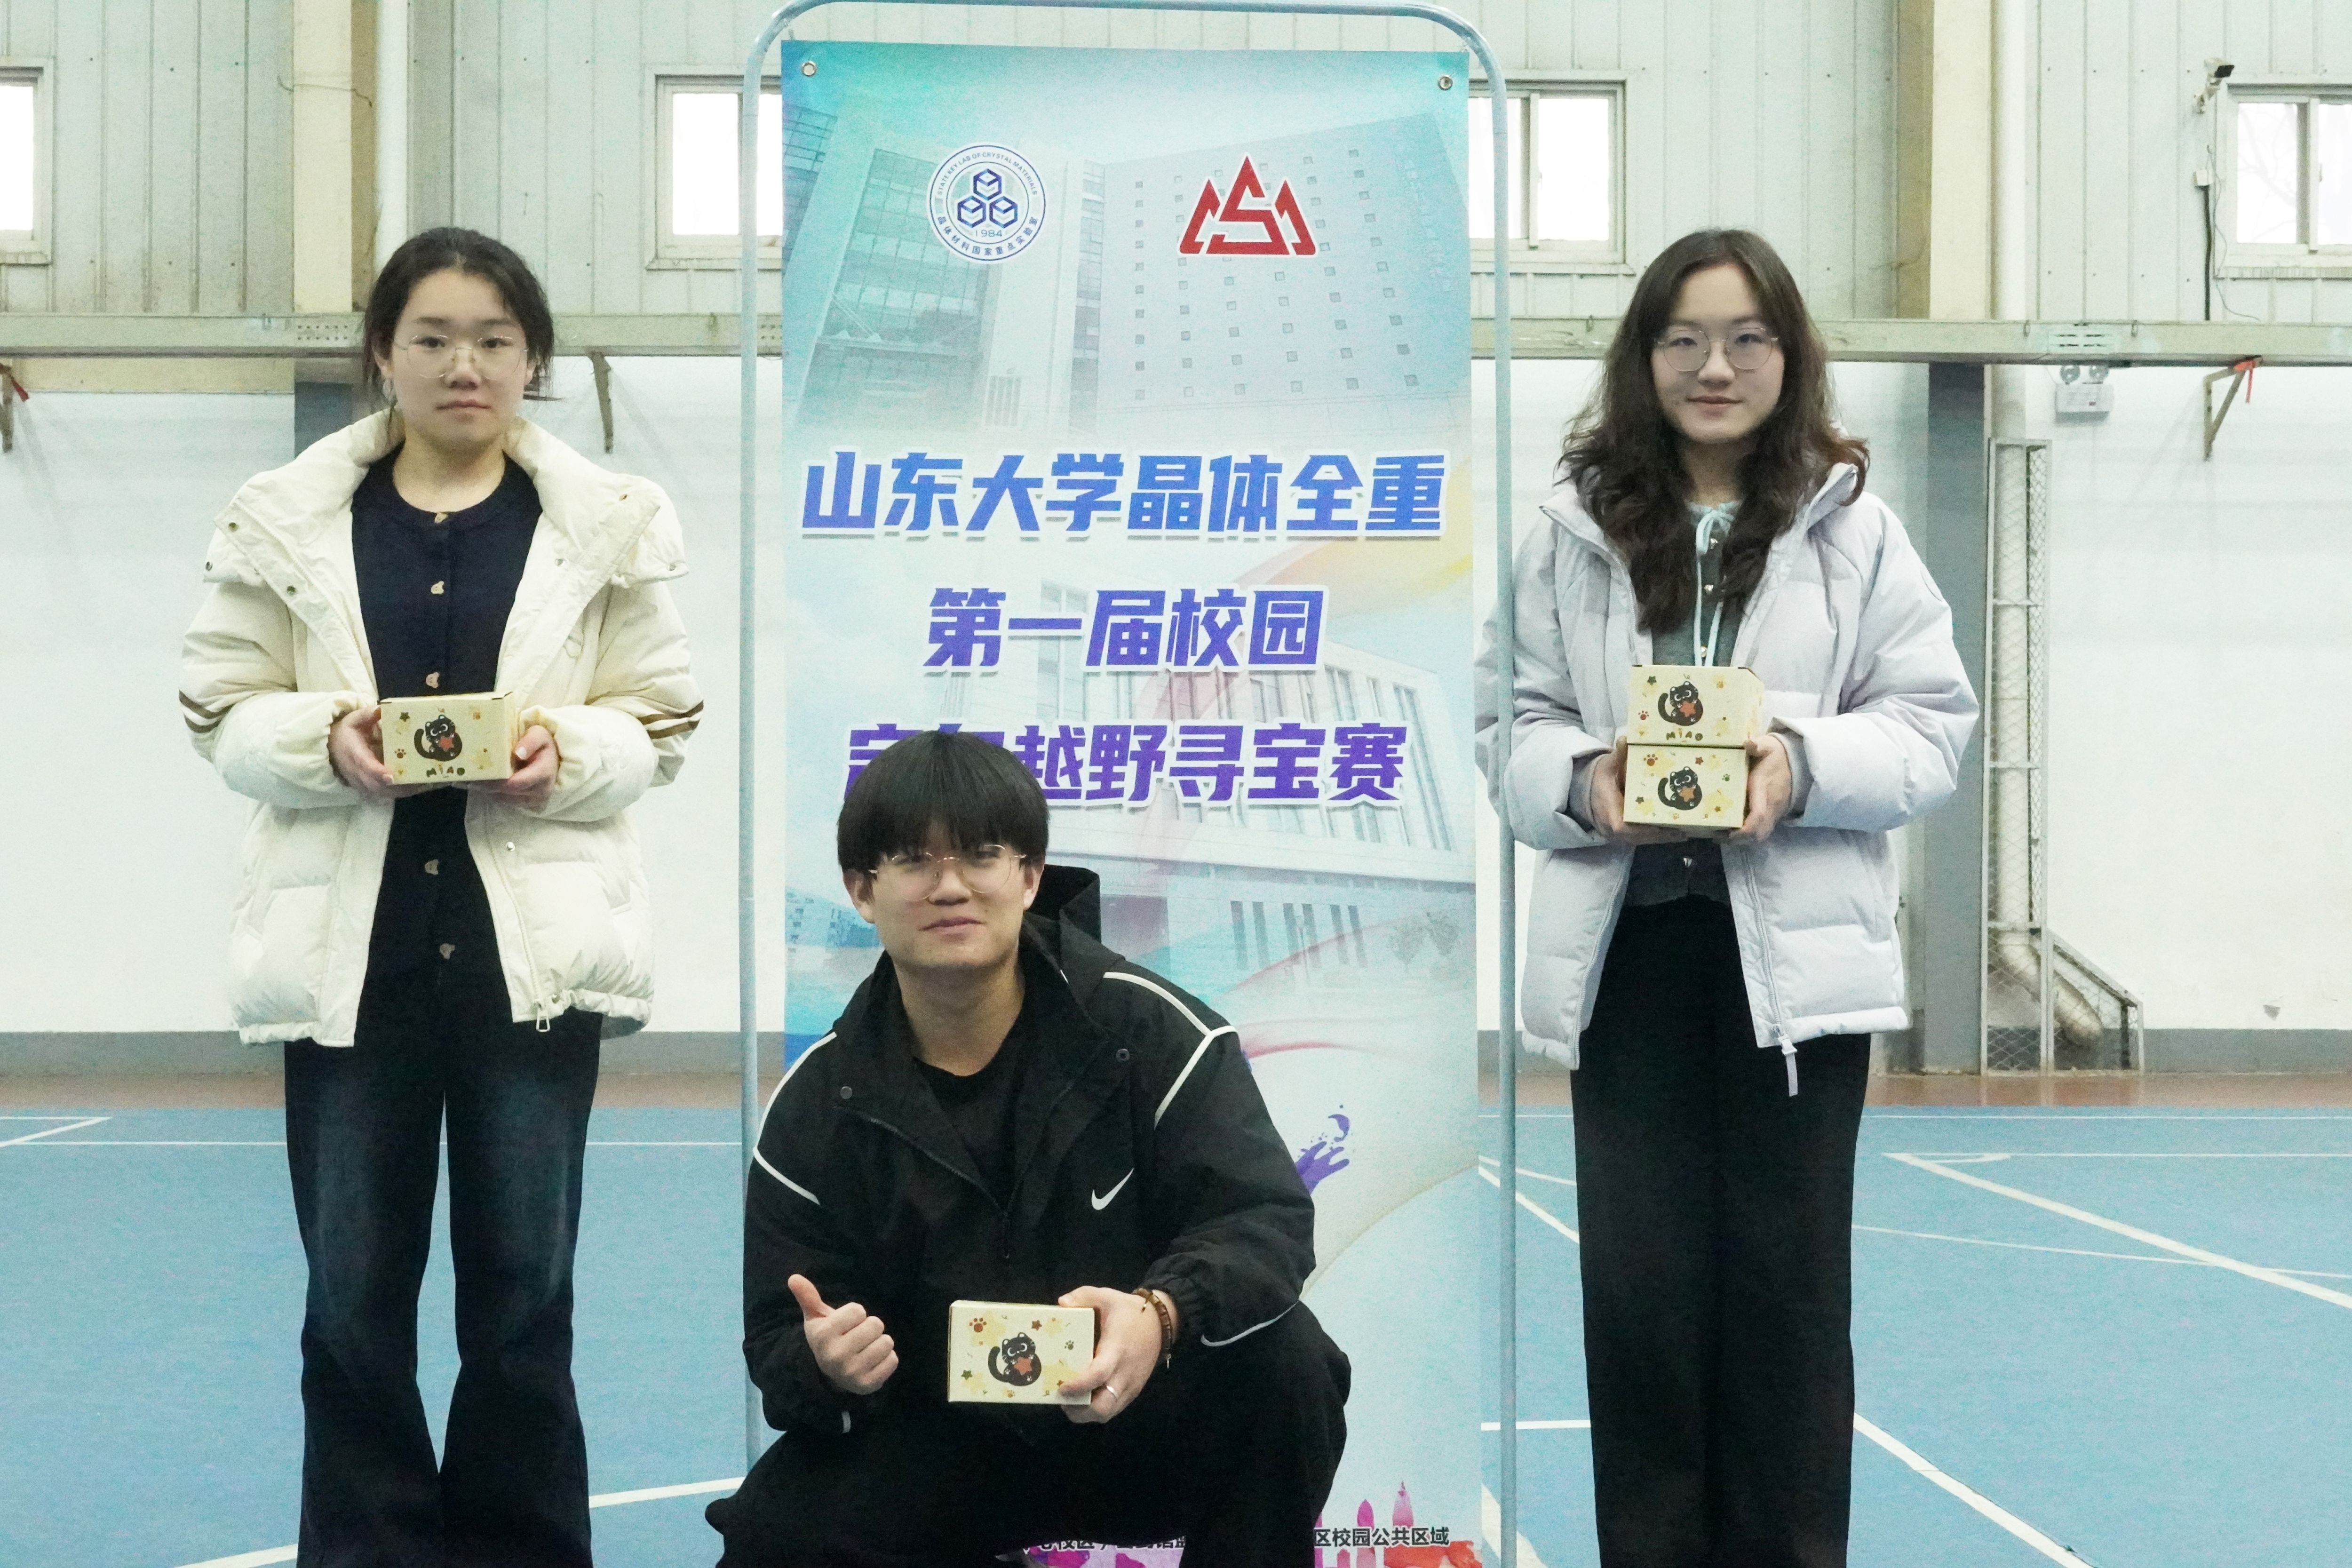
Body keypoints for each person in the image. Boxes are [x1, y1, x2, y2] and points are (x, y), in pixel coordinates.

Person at [178, 226, 701, 1567]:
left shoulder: (608, 522)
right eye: (433, 337)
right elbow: (220, 710)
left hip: (532, 972)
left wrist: (562, 754)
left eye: (493, 339)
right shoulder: (283, 517)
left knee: (524, 1304)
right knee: (351, 1306)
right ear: (384, 353)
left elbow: (660, 721)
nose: (464, 364)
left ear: (532, 359)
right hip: (351, 971)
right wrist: (325, 741)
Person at [1477, 228, 1977, 1568]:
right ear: (1644, 357)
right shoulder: (1569, 533)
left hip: (1796, 982)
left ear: (1788, 355)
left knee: (1788, 1304)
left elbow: (1930, 726)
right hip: (1627, 961)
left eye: (1747, 338)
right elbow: (1507, 724)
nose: (1716, 365)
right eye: (1685, 338)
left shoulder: (1855, 531)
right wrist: (1586, 784)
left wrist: (1797, 766)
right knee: (1638, 1300)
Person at [708, 730, 1350, 1568]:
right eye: (914, 861)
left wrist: (1161, 1314)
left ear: (1030, 875)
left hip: (1134, 1411)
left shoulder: (1153, 1034)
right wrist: (825, 1365)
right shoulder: (818, 1104)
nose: (951, 886)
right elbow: (777, 1334)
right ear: (863, 889)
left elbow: (1262, 1218)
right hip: (940, 1441)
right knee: (774, 1535)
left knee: (1290, 1365)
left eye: (982, 854)